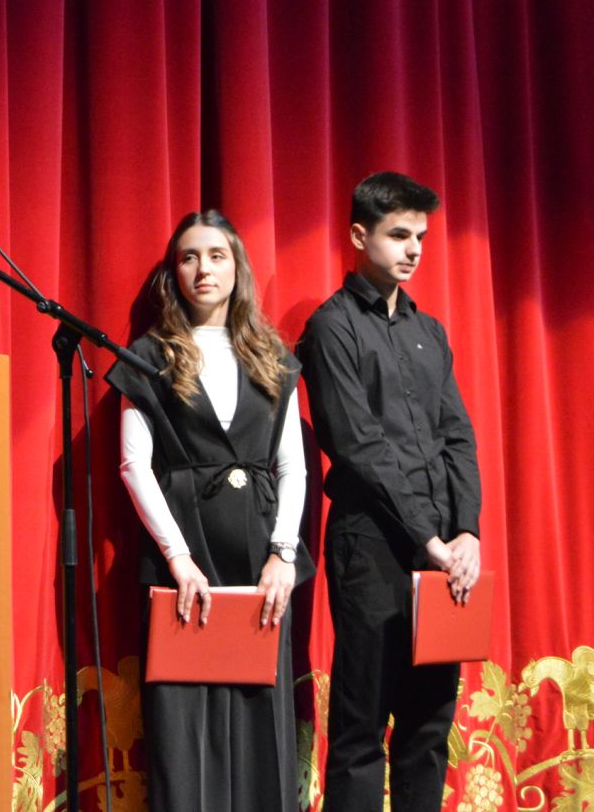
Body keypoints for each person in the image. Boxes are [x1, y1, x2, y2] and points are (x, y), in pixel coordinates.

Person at [105, 210, 311, 812]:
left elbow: (292, 466)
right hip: (185, 561)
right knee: (184, 724)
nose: (203, 269)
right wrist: (178, 558)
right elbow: (134, 465)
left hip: (260, 557)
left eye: (217, 255)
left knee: (260, 720)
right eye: (189, 257)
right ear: (174, 273)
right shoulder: (149, 356)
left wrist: (283, 555)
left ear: (236, 268)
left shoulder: (273, 357)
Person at [299, 172, 482, 812]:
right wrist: (428, 537)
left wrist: (467, 531)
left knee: (430, 724)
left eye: (421, 237)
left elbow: (458, 435)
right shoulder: (332, 328)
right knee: (362, 723)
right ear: (359, 235)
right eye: (399, 235)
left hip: (441, 551)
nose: (414, 250)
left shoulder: (429, 330)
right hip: (370, 545)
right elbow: (358, 446)